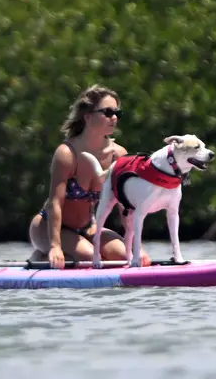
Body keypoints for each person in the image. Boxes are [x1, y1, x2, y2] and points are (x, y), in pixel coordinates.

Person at [28, 84, 152, 269]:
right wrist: (55, 246)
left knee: (124, 256)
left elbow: (125, 207)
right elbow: (55, 202)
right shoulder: (67, 154)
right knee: (87, 258)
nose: (114, 118)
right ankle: (41, 256)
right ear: (87, 116)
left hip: (89, 228)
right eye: (108, 112)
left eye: (117, 113)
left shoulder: (118, 154)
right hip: (50, 228)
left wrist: (137, 247)